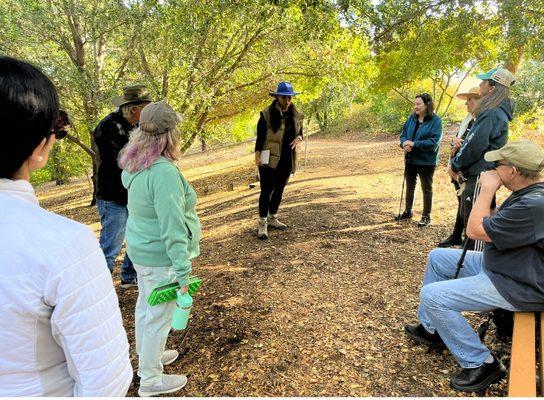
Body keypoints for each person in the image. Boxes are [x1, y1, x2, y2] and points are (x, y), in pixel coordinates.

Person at [0, 56, 132, 396]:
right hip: (114, 195)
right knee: (112, 245)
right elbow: (106, 383)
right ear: (41, 148)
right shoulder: (63, 244)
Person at [404, 141, 544, 393]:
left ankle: (482, 363)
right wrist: (488, 197)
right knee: (438, 257)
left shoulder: (534, 205)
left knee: (433, 296)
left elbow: (475, 231)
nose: (492, 169)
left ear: (513, 171)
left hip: (520, 284)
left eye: (498, 165)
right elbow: (491, 223)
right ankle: (433, 330)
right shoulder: (527, 193)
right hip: (507, 266)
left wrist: (486, 190)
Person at [119, 101, 201, 397]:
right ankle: (151, 380)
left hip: (142, 252)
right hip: (160, 257)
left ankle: (148, 356)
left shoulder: (135, 164)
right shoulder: (163, 172)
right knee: (158, 316)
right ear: (170, 135)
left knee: (146, 308)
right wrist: (182, 271)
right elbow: (172, 227)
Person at [92, 84, 152, 287]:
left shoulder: (137, 125)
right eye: (146, 107)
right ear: (134, 108)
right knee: (111, 247)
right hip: (113, 196)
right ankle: (101, 289)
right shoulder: (108, 127)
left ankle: (129, 276)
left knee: (137, 238)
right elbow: (120, 163)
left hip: (133, 193)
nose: (148, 111)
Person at [448, 68, 516, 242]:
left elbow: (475, 145)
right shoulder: (494, 111)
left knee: (474, 230)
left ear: (492, 87)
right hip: (483, 173)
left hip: (480, 175)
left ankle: (473, 266)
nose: (480, 84)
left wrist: (455, 165)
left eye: (483, 81)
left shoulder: (491, 113)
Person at [254, 82, 304, 239]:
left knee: (280, 189)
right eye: (284, 97)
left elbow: (300, 132)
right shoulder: (266, 114)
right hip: (267, 157)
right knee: (266, 190)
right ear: (277, 97)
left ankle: (273, 217)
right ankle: (262, 224)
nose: (287, 100)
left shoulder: (295, 114)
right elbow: (260, 137)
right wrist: (257, 156)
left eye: (290, 97)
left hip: (287, 158)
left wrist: (299, 138)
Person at [438, 87, 481, 247]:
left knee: (468, 206)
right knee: (461, 203)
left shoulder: (483, 122)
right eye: (467, 100)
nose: (467, 104)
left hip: (469, 170)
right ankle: (457, 235)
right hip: (458, 168)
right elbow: (457, 140)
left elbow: (476, 147)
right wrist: (455, 143)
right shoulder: (467, 120)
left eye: (471, 100)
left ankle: (466, 239)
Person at [396, 93, 443, 227]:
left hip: (427, 162)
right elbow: (404, 134)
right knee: (409, 186)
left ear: (427, 105)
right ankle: (408, 211)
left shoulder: (436, 121)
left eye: (418, 104)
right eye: (414, 104)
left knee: (426, 189)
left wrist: (414, 144)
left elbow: (433, 142)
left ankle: (426, 216)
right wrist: (404, 143)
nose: (415, 106)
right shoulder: (411, 118)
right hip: (410, 159)